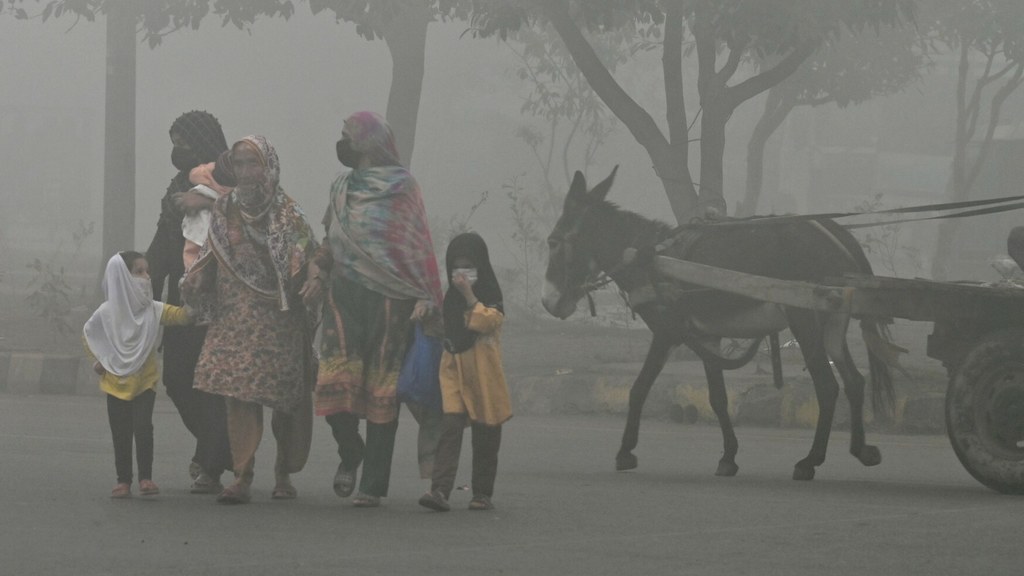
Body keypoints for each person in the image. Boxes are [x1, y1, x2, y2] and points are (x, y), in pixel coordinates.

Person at [309, 111, 443, 508]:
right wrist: (317, 268)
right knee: (334, 384)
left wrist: (425, 294)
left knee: (382, 390)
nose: (343, 142)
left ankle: (373, 485)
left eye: (348, 135)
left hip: (392, 300)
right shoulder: (341, 186)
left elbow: (416, 244)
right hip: (344, 296)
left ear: (368, 142)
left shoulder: (404, 187)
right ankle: (352, 451)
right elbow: (329, 239)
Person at [182, 135, 319, 504]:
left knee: (285, 398)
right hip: (235, 315)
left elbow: (308, 257)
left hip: (279, 317)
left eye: (252, 163)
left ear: (269, 167)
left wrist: (307, 278)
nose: (244, 172)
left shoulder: (289, 213)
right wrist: (198, 276)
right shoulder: (225, 208)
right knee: (237, 394)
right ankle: (242, 475)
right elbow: (213, 254)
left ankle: (283, 472)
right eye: (238, 164)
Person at [146, 110, 233, 492]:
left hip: (222, 302)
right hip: (182, 303)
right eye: (174, 144)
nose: (177, 152)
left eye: (183, 144)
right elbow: (163, 243)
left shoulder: (233, 187)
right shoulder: (176, 190)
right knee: (178, 380)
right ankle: (221, 449)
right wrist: (142, 287)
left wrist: (209, 202)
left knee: (211, 385)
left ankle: (211, 463)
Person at [84, 251, 193, 498]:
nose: (145, 277)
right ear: (121, 277)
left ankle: (146, 478)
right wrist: (98, 361)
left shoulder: (152, 310)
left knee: (143, 427)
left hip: (145, 382)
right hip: (115, 383)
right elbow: (89, 335)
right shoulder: (106, 313)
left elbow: (183, 317)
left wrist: (190, 294)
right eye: (138, 271)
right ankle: (123, 480)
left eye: (147, 271)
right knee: (120, 431)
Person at [418, 233, 511, 512]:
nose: (462, 276)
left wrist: (470, 296)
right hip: (454, 372)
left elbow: (486, 321)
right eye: (456, 269)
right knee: (450, 430)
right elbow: (444, 330)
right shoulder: (450, 300)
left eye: (468, 268)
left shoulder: (491, 296)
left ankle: (481, 494)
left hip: (484, 375)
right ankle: (440, 490)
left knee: (486, 434)